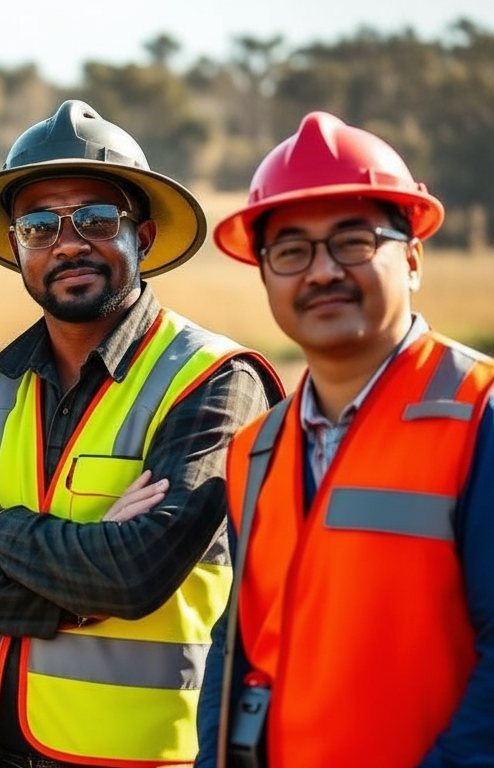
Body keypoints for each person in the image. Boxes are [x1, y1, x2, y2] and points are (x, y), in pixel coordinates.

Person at [0, 99, 283, 768]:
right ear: (17, 248)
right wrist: (81, 588)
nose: (68, 242)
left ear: (146, 236)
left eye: (97, 220)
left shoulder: (214, 380)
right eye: (39, 226)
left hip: (142, 752)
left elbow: (135, 577)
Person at [197, 112, 494, 768]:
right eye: (292, 251)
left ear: (412, 258)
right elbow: (237, 644)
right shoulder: (256, 448)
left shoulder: (480, 413)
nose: (321, 271)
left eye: (354, 242)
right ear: (267, 272)